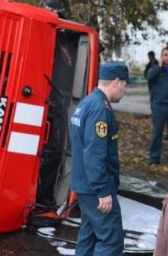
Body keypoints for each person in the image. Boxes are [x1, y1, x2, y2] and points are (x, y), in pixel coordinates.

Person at [70, 62, 129, 256]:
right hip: (95, 188)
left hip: (85, 184)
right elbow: (94, 153)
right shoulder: (99, 109)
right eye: (125, 85)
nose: (125, 90)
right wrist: (103, 191)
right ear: (116, 82)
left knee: (89, 236)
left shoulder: (87, 102)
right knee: (111, 239)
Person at [146, 47, 168, 164]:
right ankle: (154, 158)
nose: (167, 57)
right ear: (161, 57)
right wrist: (159, 67)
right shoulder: (155, 69)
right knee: (157, 133)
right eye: (165, 55)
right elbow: (148, 78)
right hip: (159, 106)